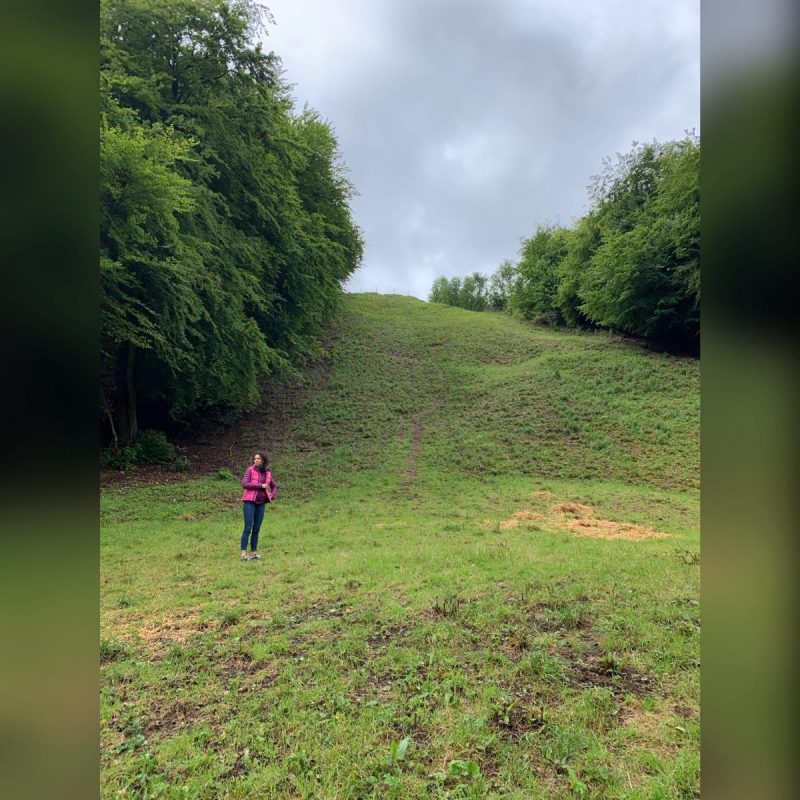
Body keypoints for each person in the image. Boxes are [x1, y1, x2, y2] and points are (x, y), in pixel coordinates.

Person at [239, 452, 277, 561]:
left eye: (258, 459)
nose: (256, 460)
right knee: (248, 528)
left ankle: (254, 552)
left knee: (256, 528)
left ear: (263, 460)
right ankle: (243, 554)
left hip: (261, 503)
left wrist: (272, 495)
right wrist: (260, 485)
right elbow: (244, 484)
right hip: (249, 502)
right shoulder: (250, 470)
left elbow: (274, 486)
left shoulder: (268, 473)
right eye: (255, 458)